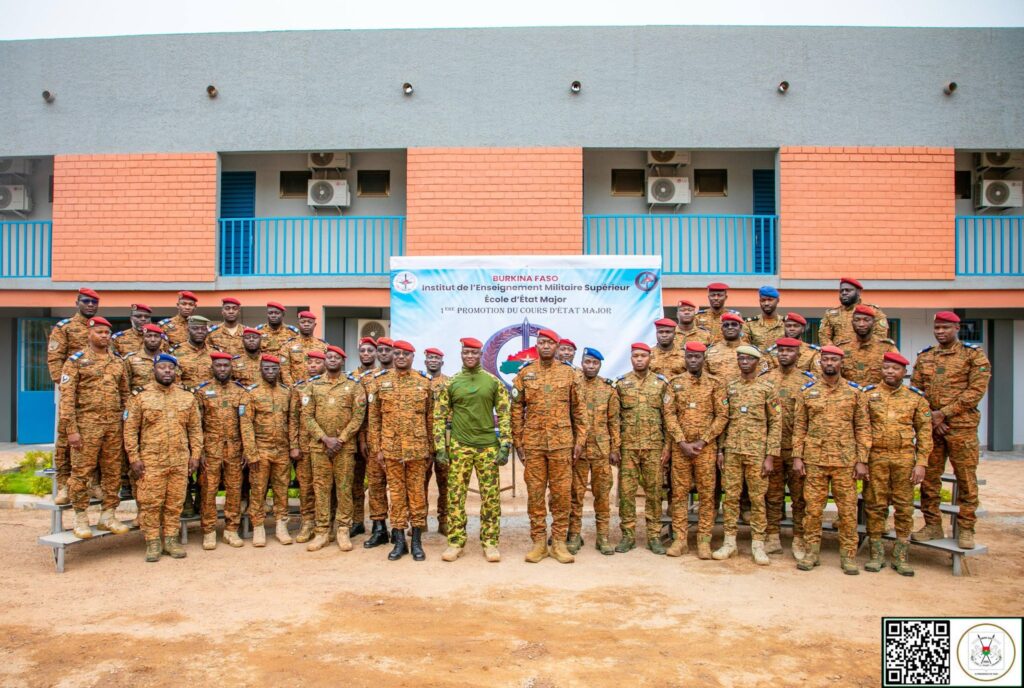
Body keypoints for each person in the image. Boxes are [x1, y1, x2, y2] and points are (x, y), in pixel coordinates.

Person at [910, 311, 991, 549]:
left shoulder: (973, 356)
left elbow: (975, 392)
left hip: (962, 428)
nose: (940, 332)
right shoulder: (925, 357)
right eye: (937, 328)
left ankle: (966, 528)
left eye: (945, 327)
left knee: (966, 479)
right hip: (932, 429)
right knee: (929, 479)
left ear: (957, 328)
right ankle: (932, 524)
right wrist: (933, 419)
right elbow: (916, 391)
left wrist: (943, 413)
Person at [511, 329, 588, 564]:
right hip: (533, 445)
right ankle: (538, 543)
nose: (545, 346)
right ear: (537, 345)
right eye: (541, 342)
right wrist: (518, 440)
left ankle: (559, 543)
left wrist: (580, 441)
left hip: (562, 445)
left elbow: (580, 411)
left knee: (562, 494)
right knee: (535, 494)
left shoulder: (570, 374)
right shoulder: (525, 373)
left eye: (549, 343)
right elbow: (516, 408)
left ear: (557, 346)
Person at [792, 345, 870, 575]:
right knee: (813, 510)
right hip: (814, 460)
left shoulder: (855, 393)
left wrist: (861, 459)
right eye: (825, 359)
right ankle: (811, 552)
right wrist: (797, 456)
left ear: (841, 363)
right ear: (819, 362)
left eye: (833, 360)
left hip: (845, 461)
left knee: (847, 511)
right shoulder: (808, 392)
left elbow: (863, 428)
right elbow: (800, 427)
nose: (829, 363)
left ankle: (848, 556)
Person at [434, 337, 511, 562]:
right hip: (460, 447)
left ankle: (490, 542)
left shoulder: (492, 382)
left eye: (474, 353)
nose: (470, 356)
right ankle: (456, 542)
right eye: (466, 352)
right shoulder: (451, 383)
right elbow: (438, 416)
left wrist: (505, 444)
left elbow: (505, 413)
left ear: (480, 355)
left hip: (487, 447)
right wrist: (440, 447)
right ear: (461, 354)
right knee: (455, 496)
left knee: (491, 498)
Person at [125, 353, 204, 562]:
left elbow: (195, 429)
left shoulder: (187, 397)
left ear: (176, 371)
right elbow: (130, 430)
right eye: (162, 368)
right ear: (154, 370)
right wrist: (133, 457)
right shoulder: (140, 396)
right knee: (151, 503)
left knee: (174, 503)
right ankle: (152, 541)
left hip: (179, 459)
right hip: (151, 460)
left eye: (170, 368)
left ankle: (170, 539)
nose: (167, 371)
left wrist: (195, 455)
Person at [863, 353, 933, 575]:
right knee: (875, 505)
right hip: (876, 458)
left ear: (904, 372)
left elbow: (924, 433)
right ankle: (876, 554)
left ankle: (901, 556)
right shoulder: (868, 395)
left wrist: (921, 463)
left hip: (904, 459)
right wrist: (862, 460)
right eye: (886, 368)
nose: (890, 372)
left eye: (895, 368)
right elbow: (861, 428)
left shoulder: (916, 398)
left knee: (904, 507)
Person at [61, 316, 130, 539]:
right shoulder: (76, 361)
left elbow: (125, 394)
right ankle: (80, 517)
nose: (104, 336)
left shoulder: (117, 361)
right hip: (86, 426)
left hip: (113, 426)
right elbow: (67, 398)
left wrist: (125, 422)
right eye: (99, 332)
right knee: (81, 472)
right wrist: (71, 429)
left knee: (112, 471)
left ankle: (108, 515)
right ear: (89, 333)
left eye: (107, 333)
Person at [712, 346, 780, 565]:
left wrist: (770, 455)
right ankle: (729, 542)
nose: (744, 362)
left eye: (748, 359)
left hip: (757, 453)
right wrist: (721, 449)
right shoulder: (729, 387)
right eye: (740, 358)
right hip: (732, 451)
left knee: (758, 499)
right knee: (730, 498)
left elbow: (775, 422)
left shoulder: (767, 388)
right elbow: (723, 420)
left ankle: (758, 544)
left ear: (757, 362)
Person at [368, 340, 434, 561]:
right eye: (397, 354)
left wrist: (431, 449)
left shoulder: (424, 383)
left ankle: (416, 541)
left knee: (417, 495)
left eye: (405, 354)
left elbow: (430, 418)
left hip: (417, 449)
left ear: (412, 357)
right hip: (391, 449)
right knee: (396, 494)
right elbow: (374, 418)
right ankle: (399, 542)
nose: (400, 357)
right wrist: (377, 448)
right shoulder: (380, 382)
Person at [614, 342, 678, 555]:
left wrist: (668, 447)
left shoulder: (661, 384)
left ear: (650, 358)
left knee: (654, 492)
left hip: (653, 447)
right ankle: (628, 535)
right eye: (635, 356)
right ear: (631, 358)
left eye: (643, 356)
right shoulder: (622, 384)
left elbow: (667, 418)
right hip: (628, 448)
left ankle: (653, 535)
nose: (639, 359)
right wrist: (616, 446)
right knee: (627, 493)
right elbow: (614, 419)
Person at [665, 342, 728, 559]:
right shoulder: (675, 383)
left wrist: (704, 440)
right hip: (680, 448)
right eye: (690, 357)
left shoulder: (715, 384)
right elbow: (669, 414)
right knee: (679, 495)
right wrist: (682, 442)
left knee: (707, 495)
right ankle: (680, 539)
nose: (693, 360)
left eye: (697, 357)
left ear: (704, 359)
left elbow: (722, 415)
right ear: (685, 358)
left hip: (706, 450)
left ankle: (703, 541)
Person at [303, 345, 366, 552]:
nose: (331, 360)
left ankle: (342, 529)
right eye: (328, 357)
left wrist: (340, 439)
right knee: (321, 488)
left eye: (336, 358)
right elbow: (307, 416)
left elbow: (359, 416)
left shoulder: (354, 386)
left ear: (342, 361)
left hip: (345, 448)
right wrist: (324, 438)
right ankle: (322, 531)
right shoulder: (313, 386)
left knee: (344, 488)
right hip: (319, 447)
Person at [193, 352, 255, 550]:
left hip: (235, 449)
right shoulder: (202, 392)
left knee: (234, 490)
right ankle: (209, 531)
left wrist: (248, 449)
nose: (222, 369)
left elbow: (246, 424)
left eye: (225, 366)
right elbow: (197, 425)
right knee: (209, 490)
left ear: (231, 368)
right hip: (210, 449)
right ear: (213, 367)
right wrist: (199, 451)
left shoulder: (241, 392)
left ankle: (231, 529)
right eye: (218, 365)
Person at [762, 337, 816, 559]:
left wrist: (800, 453)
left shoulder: (807, 382)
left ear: (798, 355)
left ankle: (799, 538)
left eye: (789, 351)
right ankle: (772, 536)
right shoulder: (766, 379)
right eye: (781, 350)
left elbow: (810, 418)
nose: (784, 354)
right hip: (772, 449)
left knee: (799, 497)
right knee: (772, 495)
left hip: (797, 451)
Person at [47, 287, 99, 505]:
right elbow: (54, 359)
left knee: (95, 442)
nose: (90, 305)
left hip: (95, 396)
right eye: (86, 301)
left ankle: (94, 483)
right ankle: (63, 485)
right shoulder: (65, 328)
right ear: (77, 302)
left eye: (93, 302)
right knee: (65, 440)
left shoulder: (99, 329)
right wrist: (67, 387)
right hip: (71, 394)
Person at [567, 347, 620, 556]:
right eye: (587, 362)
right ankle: (573, 535)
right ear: (582, 362)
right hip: (577, 451)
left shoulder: (608, 389)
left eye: (595, 363)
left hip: (601, 451)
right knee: (575, 495)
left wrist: (615, 448)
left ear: (600, 365)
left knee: (602, 495)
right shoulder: (574, 385)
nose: (591, 366)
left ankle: (603, 537)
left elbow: (614, 421)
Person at [239, 354, 293, 547]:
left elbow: (292, 421)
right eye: (267, 368)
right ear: (260, 370)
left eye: (274, 368)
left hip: (282, 450)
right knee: (258, 490)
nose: (270, 372)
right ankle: (258, 527)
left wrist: (293, 446)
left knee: (282, 489)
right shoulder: (251, 393)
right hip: (260, 450)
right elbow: (246, 424)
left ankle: (281, 525)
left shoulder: (286, 392)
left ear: (279, 370)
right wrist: (251, 452)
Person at [287, 350, 326, 544]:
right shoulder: (298, 388)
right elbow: (293, 418)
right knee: (306, 487)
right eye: (309, 362)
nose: (312, 366)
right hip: (304, 445)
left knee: (324, 486)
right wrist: (294, 445)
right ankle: (308, 521)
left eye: (317, 362)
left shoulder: (329, 385)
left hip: (323, 445)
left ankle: (325, 523)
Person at [360, 336, 396, 549]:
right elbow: (364, 414)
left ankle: (400, 526)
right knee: (375, 486)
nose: (383, 353)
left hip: (398, 444)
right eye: (380, 350)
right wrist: (365, 440)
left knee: (399, 488)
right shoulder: (368, 379)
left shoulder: (405, 376)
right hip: (374, 443)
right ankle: (379, 528)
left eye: (387, 350)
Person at [350, 336, 379, 538]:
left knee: (377, 483)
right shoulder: (350, 377)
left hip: (373, 438)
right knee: (355, 482)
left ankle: (380, 523)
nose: (366, 354)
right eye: (363, 351)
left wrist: (366, 439)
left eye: (370, 350)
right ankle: (358, 521)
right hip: (352, 437)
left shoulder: (381, 376)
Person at [423, 346, 450, 535]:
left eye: (436, 358)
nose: (433, 361)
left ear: (442, 362)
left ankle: (444, 521)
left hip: (444, 442)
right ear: (425, 362)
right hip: (422, 440)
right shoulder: (419, 382)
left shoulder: (450, 383)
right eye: (430, 358)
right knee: (420, 483)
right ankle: (420, 520)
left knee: (446, 483)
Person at [818, 277, 889, 346]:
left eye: (848, 290)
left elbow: (881, 335)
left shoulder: (873, 311)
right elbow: (824, 337)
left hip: (866, 355)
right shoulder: (831, 314)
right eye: (841, 291)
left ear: (858, 292)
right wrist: (836, 353)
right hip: (840, 356)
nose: (844, 293)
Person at [840, 304, 898, 387]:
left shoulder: (887, 347)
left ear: (874, 323)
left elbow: (896, 374)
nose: (861, 324)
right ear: (852, 323)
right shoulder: (842, 348)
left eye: (866, 320)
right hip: (850, 397)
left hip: (877, 397)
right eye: (857, 320)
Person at [278, 310, 328, 385]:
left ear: (315, 325)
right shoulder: (288, 345)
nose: (306, 324)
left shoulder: (324, 346)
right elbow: (284, 371)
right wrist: (293, 388)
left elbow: (327, 369)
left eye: (309, 322)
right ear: (298, 324)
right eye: (303, 322)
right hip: (296, 390)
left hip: (318, 389)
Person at [170, 315, 214, 391]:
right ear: (188, 329)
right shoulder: (176, 352)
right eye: (195, 328)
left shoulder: (215, 352)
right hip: (186, 396)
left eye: (203, 329)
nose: (200, 331)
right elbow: (173, 380)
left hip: (210, 396)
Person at [704, 312, 749, 382]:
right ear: (721, 329)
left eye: (734, 324)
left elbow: (759, 375)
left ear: (740, 327)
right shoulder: (709, 352)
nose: (730, 327)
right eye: (726, 325)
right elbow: (704, 377)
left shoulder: (750, 350)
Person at [122, 324, 168, 393]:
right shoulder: (130, 359)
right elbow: (124, 386)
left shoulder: (169, 359)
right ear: (143, 338)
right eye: (149, 336)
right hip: (139, 401)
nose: (153, 340)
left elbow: (176, 384)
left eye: (156, 336)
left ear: (161, 339)